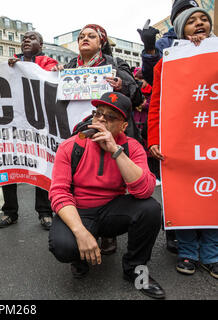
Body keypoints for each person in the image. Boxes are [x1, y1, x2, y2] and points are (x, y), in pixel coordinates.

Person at [48, 91, 165, 299]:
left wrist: (116, 151)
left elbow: (144, 190)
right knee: (64, 247)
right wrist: (80, 232)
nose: (101, 119)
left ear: (123, 126)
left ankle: (135, 269)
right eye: (98, 114)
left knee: (151, 209)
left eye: (110, 117)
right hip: (79, 210)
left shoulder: (131, 147)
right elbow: (59, 192)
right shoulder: (71, 145)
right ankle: (80, 256)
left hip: (112, 208)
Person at [54, 24, 144, 254]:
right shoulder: (69, 68)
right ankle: (81, 229)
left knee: (111, 176)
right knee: (77, 177)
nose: (85, 39)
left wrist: (123, 86)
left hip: (109, 132)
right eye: (81, 36)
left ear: (101, 42)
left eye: (91, 36)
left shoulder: (115, 67)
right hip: (77, 132)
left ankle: (108, 231)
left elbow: (137, 97)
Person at [147, 6, 217, 279]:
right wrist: (154, 139)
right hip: (180, 143)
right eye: (192, 21)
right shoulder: (168, 60)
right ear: (180, 29)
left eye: (204, 20)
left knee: (213, 197)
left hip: (211, 138)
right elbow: (157, 104)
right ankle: (188, 251)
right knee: (184, 197)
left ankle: (212, 255)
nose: (199, 23)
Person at [0, 30, 58, 231]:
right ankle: (10, 212)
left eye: (31, 39)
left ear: (41, 44)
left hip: (39, 125)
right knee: (10, 167)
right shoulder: (11, 62)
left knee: (42, 165)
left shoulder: (48, 63)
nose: (26, 41)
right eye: (23, 39)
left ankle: (45, 212)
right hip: (14, 125)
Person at [138, 0, 199, 86]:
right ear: (174, 21)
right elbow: (153, 78)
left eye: (194, 13)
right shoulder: (165, 44)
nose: (189, 17)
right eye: (184, 13)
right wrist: (150, 50)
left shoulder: (211, 40)